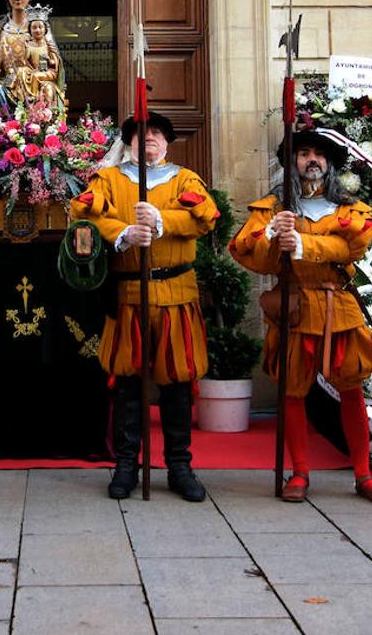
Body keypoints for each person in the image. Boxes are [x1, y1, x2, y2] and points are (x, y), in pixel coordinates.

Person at [229, 130, 372, 506]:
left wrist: (304, 244)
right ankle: (300, 471)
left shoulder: (350, 209)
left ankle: (363, 474)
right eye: (303, 153)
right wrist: (274, 234)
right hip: (295, 308)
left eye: (318, 155)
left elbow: (352, 246)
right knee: (293, 389)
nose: (311, 160)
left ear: (330, 164)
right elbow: (246, 251)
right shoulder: (273, 209)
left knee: (351, 387)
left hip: (339, 307)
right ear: (292, 162)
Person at [70, 113, 218, 502]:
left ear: (167, 142)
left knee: (177, 385)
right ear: (129, 142)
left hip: (176, 294)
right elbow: (84, 214)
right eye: (139, 134)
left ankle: (179, 467)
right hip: (129, 295)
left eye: (155, 134)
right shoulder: (109, 180)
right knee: (128, 385)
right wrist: (122, 233)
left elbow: (206, 218)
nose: (147, 139)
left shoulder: (185, 179)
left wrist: (161, 220)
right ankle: (125, 465)